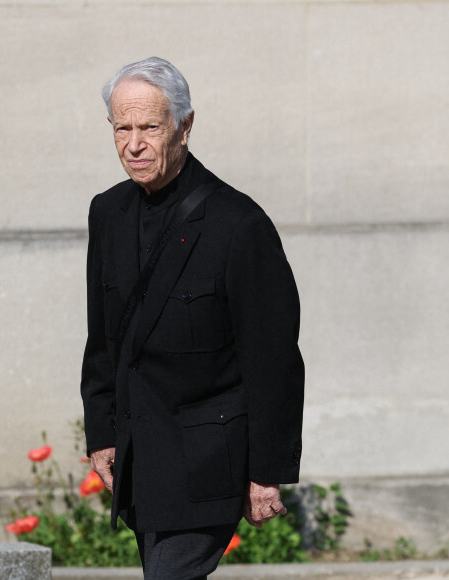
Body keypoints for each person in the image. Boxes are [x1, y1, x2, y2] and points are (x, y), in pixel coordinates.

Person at [80, 56, 304, 579]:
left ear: (184, 126)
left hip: (209, 464)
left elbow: (273, 360)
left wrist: (266, 473)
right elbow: (103, 337)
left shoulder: (238, 224)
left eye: (149, 127)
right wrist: (101, 431)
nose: (133, 144)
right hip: (140, 462)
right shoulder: (107, 213)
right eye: (122, 128)